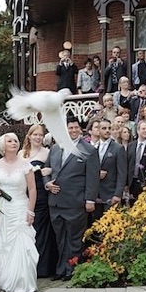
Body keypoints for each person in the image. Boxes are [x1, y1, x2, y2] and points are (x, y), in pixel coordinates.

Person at [0, 133, 39, 292]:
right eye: (10, 141)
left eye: (15, 141)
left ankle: (22, 282)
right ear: (3, 145)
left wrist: (30, 210)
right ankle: (2, 281)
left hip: (20, 207)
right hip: (1, 210)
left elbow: (32, 189)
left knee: (20, 244)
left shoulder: (25, 164)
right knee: (0, 244)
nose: (13, 143)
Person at [46, 116, 99, 281]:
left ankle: (73, 269)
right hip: (55, 202)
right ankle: (61, 269)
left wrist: (90, 200)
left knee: (75, 239)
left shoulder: (89, 150)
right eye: (70, 128)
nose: (73, 131)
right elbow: (46, 170)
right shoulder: (55, 148)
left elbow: (93, 177)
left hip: (76, 202)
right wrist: (47, 183)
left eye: (76, 128)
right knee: (60, 239)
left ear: (80, 129)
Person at [20, 124, 58, 279]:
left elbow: (55, 171)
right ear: (29, 136)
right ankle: (28, 265)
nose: (37, 137)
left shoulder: (47, 153)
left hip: (42, 194)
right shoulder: (22, 154)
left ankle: (43, 267)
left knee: (41, 230)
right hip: (24, 194)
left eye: (40, 135)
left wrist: (49, 173)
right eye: (34, 134)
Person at [94, 119, 127, 218]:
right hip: (95, 194)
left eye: (109, 128)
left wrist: (118, 194)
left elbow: (122, 173)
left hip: (111, 193)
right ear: (98, 130)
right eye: (104, 128)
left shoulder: (118, 148)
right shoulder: (93, 148)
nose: (107, 131)